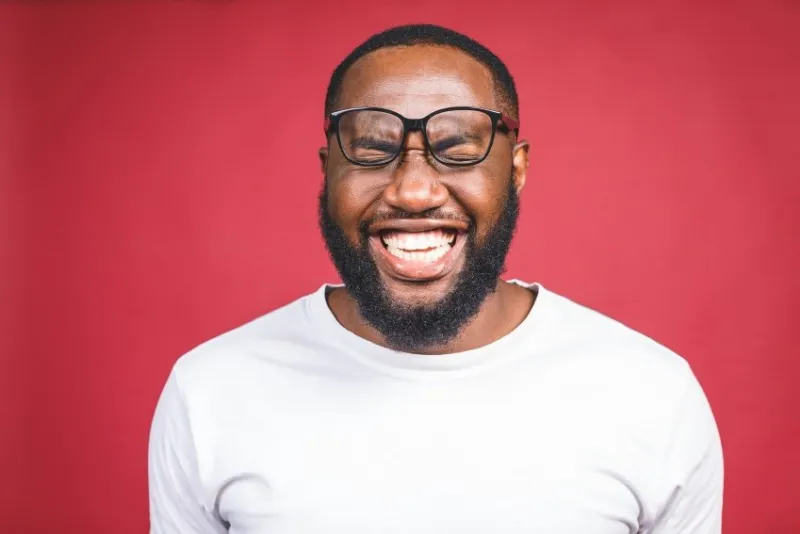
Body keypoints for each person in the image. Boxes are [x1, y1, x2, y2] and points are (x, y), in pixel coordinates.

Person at [148, 24, 724, 534]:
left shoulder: (652, 395)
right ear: (329, 172)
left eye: (457, 148)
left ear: (516, 169)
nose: (414, 191)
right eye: (372, 148)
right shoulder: (212, 391)